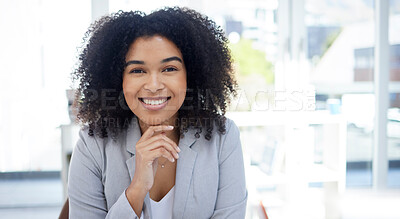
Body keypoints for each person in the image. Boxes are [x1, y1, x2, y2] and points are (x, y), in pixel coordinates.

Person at [68, 7, 247, 219]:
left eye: (169, 69)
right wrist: (137, 188)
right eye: (137, 71)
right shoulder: (93, 144)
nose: (153, 86)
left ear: (190, 75)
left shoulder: (223, 137)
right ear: (118, 79)